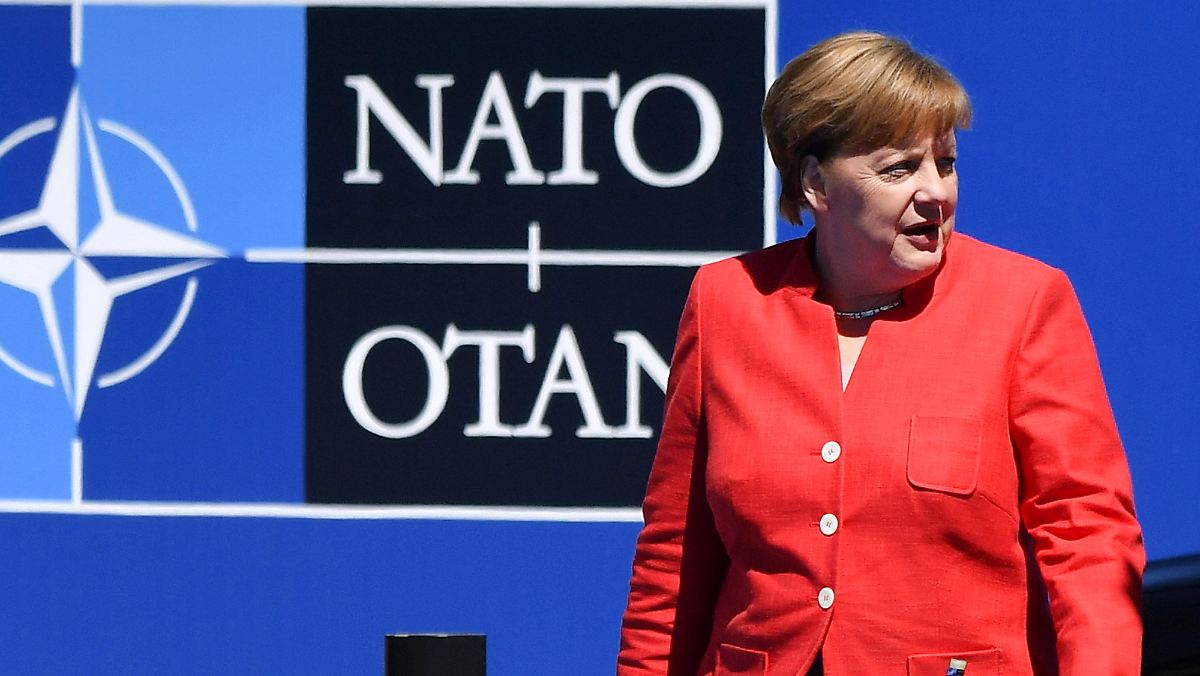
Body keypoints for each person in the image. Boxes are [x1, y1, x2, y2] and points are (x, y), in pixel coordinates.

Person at [617, 31, 1144, 676]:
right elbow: (674, 556)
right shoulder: (727, 302)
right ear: (816, 182)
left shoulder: (1024, 302)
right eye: (899, 169)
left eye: (945, 163)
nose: (935, 192)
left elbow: (1088, 534)